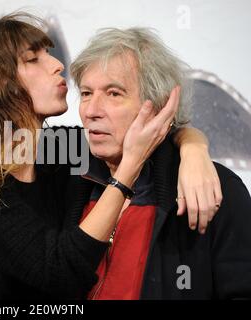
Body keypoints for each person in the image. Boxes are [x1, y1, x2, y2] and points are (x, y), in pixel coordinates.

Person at [0, 14, 222, 300]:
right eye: (33, 59)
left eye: (48, 53)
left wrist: (193, 147)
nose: (57, 64)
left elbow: (137, 135)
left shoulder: (56, 152)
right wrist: (127, 170)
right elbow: (59, 272)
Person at [70, 27, 251, 299]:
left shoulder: (215, 187)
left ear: (159, 107)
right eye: (86, 93)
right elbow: (0, 144)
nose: (92, 111)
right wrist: (192, 141)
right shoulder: (67, 168)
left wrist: (191, 146)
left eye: (114, 93)